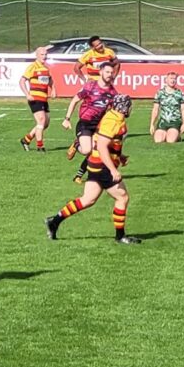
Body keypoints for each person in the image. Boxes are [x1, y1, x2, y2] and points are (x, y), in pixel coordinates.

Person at [46, 95, 141, 245]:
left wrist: (119, 155)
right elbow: (102, 145)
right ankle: (120, 236)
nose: (130, 109)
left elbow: (105, 142)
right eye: (129, 106)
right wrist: (113, 170)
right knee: (122, 197)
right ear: (124, 107)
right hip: (102, 166)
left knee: (88, 200)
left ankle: (54, 221)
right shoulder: (113, 121)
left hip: (95, 163)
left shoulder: (112, 116)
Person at [62, 63, 118, 183]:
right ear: (100, 72)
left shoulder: (113, 92)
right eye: (107, 72)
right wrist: (67, 119)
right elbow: (75, 100)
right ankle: (77, 144)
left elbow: (113, 112)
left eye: (111, 73)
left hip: (99, 126)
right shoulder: (90, 86)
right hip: (85, 123)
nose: (110, 75)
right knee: (87, 150)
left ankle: (79, 175)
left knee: (96, 151)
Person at [19, 46, 55, 152]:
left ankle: (26, 139)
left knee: (46, 123)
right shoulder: (32, 67)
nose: (44, 57)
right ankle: (40, 146)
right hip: (35, 98)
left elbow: (50, 80)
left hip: (44, 99)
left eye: (45, 55)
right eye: (42, 55)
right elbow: (21, 81)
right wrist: (27, 94)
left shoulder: (46, 68)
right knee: (41, 120)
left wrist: (53, 90)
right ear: (37, 55)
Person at [150, 72, 184, 143]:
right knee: (158, 141)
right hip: (163, 121)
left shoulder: (180, 93)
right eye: (171, 78)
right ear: (166, 80)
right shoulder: (160, 93)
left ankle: (177, 136)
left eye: (174, 79)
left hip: (175, 121)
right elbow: (155, 109)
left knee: (170, 141)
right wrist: (152, 124)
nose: (173, 80)